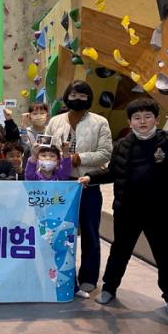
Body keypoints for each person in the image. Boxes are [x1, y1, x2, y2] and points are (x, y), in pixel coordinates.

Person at [79, 99, 168, 317]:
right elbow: (113, 171)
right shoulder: (123, 144)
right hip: (127, 209)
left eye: (148, 117)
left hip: (160, 210)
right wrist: (91, 177)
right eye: (137, 118)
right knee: (119, 252)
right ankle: (109, 288)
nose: (142, 121)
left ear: (156, 120)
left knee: (166, 256)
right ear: (129, 122)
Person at [45, 80, 113, 299]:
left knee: (90, 233)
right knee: (58, 232)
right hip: (60, 186)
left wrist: (78, 158)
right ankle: (60, 274)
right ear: (66, 96)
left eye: (83, 96)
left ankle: (89, 277)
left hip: (87, 184)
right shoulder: (55, 121)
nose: (78, 99)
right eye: (73, 95)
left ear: (89, 99)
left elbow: (105, 153)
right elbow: (45, 147)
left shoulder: (100, 122)